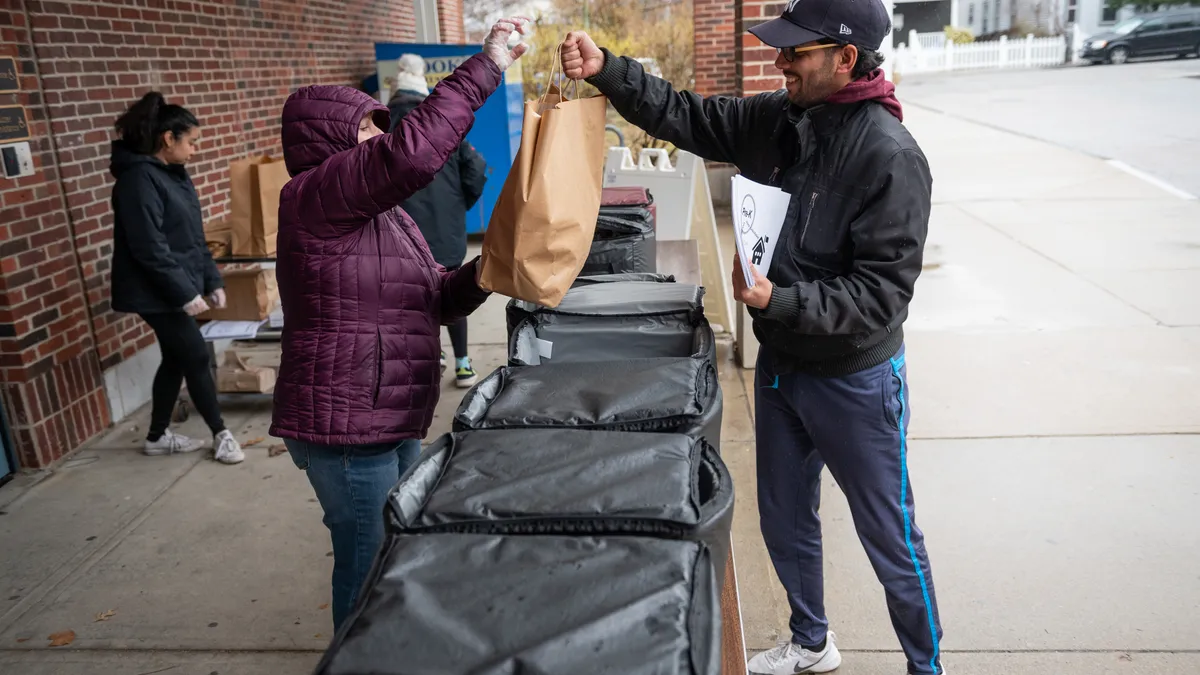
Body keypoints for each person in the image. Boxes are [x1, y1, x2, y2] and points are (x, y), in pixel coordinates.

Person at [562, 0, 943, 672]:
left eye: (795, 52)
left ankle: (927, 664)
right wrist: (609, 71)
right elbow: (688, 114)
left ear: (845, 58)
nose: (780, 61)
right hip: (782, 365)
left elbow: (883, 295)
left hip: (854, 377)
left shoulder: (890, 156)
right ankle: (811, 640)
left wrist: (781, 299)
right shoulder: (778, 118)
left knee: (891, 536)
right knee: (784, 516)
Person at [270, 17, 529, 631]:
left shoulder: (385, 219)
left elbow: (433, 299)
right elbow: (410, 154)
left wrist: (488, 270)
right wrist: (486, 65)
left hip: (389, 415)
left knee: (396, 555)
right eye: (363, 127)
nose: (376, 137)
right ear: (323, 141)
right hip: (347, 428)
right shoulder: (309, 197)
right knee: (368, 568)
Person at [109, 92, 245, 465]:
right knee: (196, 354)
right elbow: (148, 247)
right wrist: (186, 293)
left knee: (175, 357)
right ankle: (221, 434)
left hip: (172, 285)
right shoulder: (138, 181)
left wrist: (211, 279)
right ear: (168, 139)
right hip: (151, 289)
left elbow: (193, 236)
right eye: (192, 141)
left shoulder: (174, 176)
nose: (195, 150)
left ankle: (156, 437)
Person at [387, 53, 489, 388]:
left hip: (398, 235)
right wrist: (459, 206)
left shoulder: (379, 128)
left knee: (410, 299)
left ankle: (431, 361)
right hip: (446, 232)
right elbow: (475, 171)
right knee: (452, 290)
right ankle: (463, 364)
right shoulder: (443, 125)